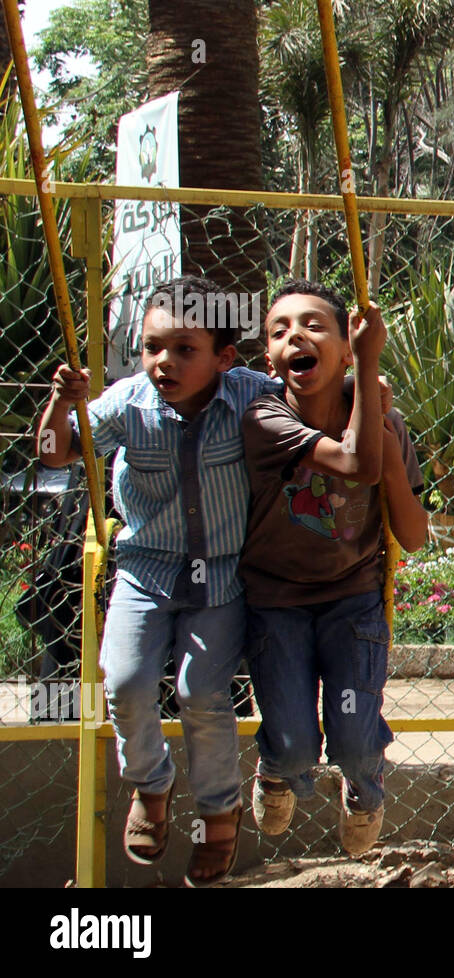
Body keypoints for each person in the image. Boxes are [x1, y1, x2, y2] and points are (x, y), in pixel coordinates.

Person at [35, 275, 280, 886]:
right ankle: (150, 784)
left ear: (224, 358)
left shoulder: (251, 394)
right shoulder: (126, 401)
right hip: (146, 571)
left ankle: (218, 810)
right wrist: (64, 402)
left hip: (221, 576)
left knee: (202, 693)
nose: (162, 361)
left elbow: (315, 399)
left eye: (183, 349)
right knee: (124, 681)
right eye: (151, 347)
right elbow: (55, 452)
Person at [238, 280, 427, 855]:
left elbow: (414, 538)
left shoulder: (389, 424)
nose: (295, 335)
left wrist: (390, 446)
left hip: (352, 602)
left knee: (353, 738)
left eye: (314, 325)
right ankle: (278, 770)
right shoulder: (263, 417)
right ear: (269, 359)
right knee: (294, 742)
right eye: (279, 330)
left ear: (345, 347)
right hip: (277, 603)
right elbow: (354, 462)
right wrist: (369, 369)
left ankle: (365, 790)